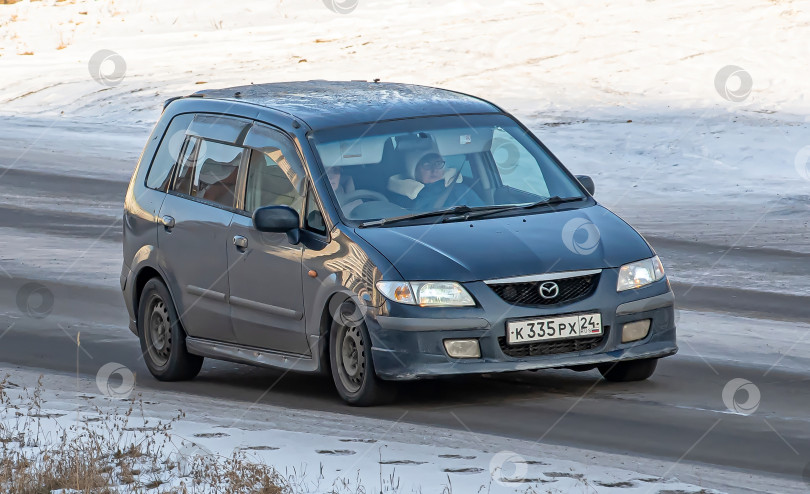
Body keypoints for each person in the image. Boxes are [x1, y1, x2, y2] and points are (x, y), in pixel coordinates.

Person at [388, 151, 483, 210]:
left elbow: (482, 214)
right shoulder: (399, 198)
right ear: (413, 170)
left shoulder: (461, 190)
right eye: (427, 165)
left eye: (438, 164)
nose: (434, 170)